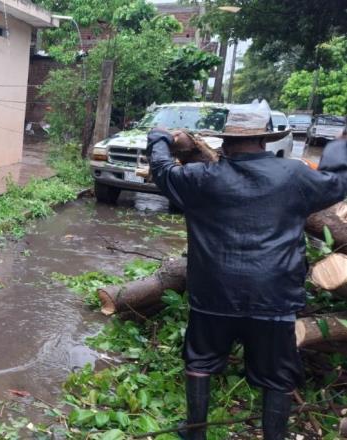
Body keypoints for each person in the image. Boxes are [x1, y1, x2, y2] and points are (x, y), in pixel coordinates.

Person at [145, 102, 347, 440]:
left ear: (225, 142)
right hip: (274, 298)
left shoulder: (201, 178)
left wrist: (158, 138)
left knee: (200, 362)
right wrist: (340, 145)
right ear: (265, 141)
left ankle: (195, 433)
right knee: (277, 376)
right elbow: (339, 183)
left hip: (212, 296)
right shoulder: (295, 176)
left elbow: (163, 171)